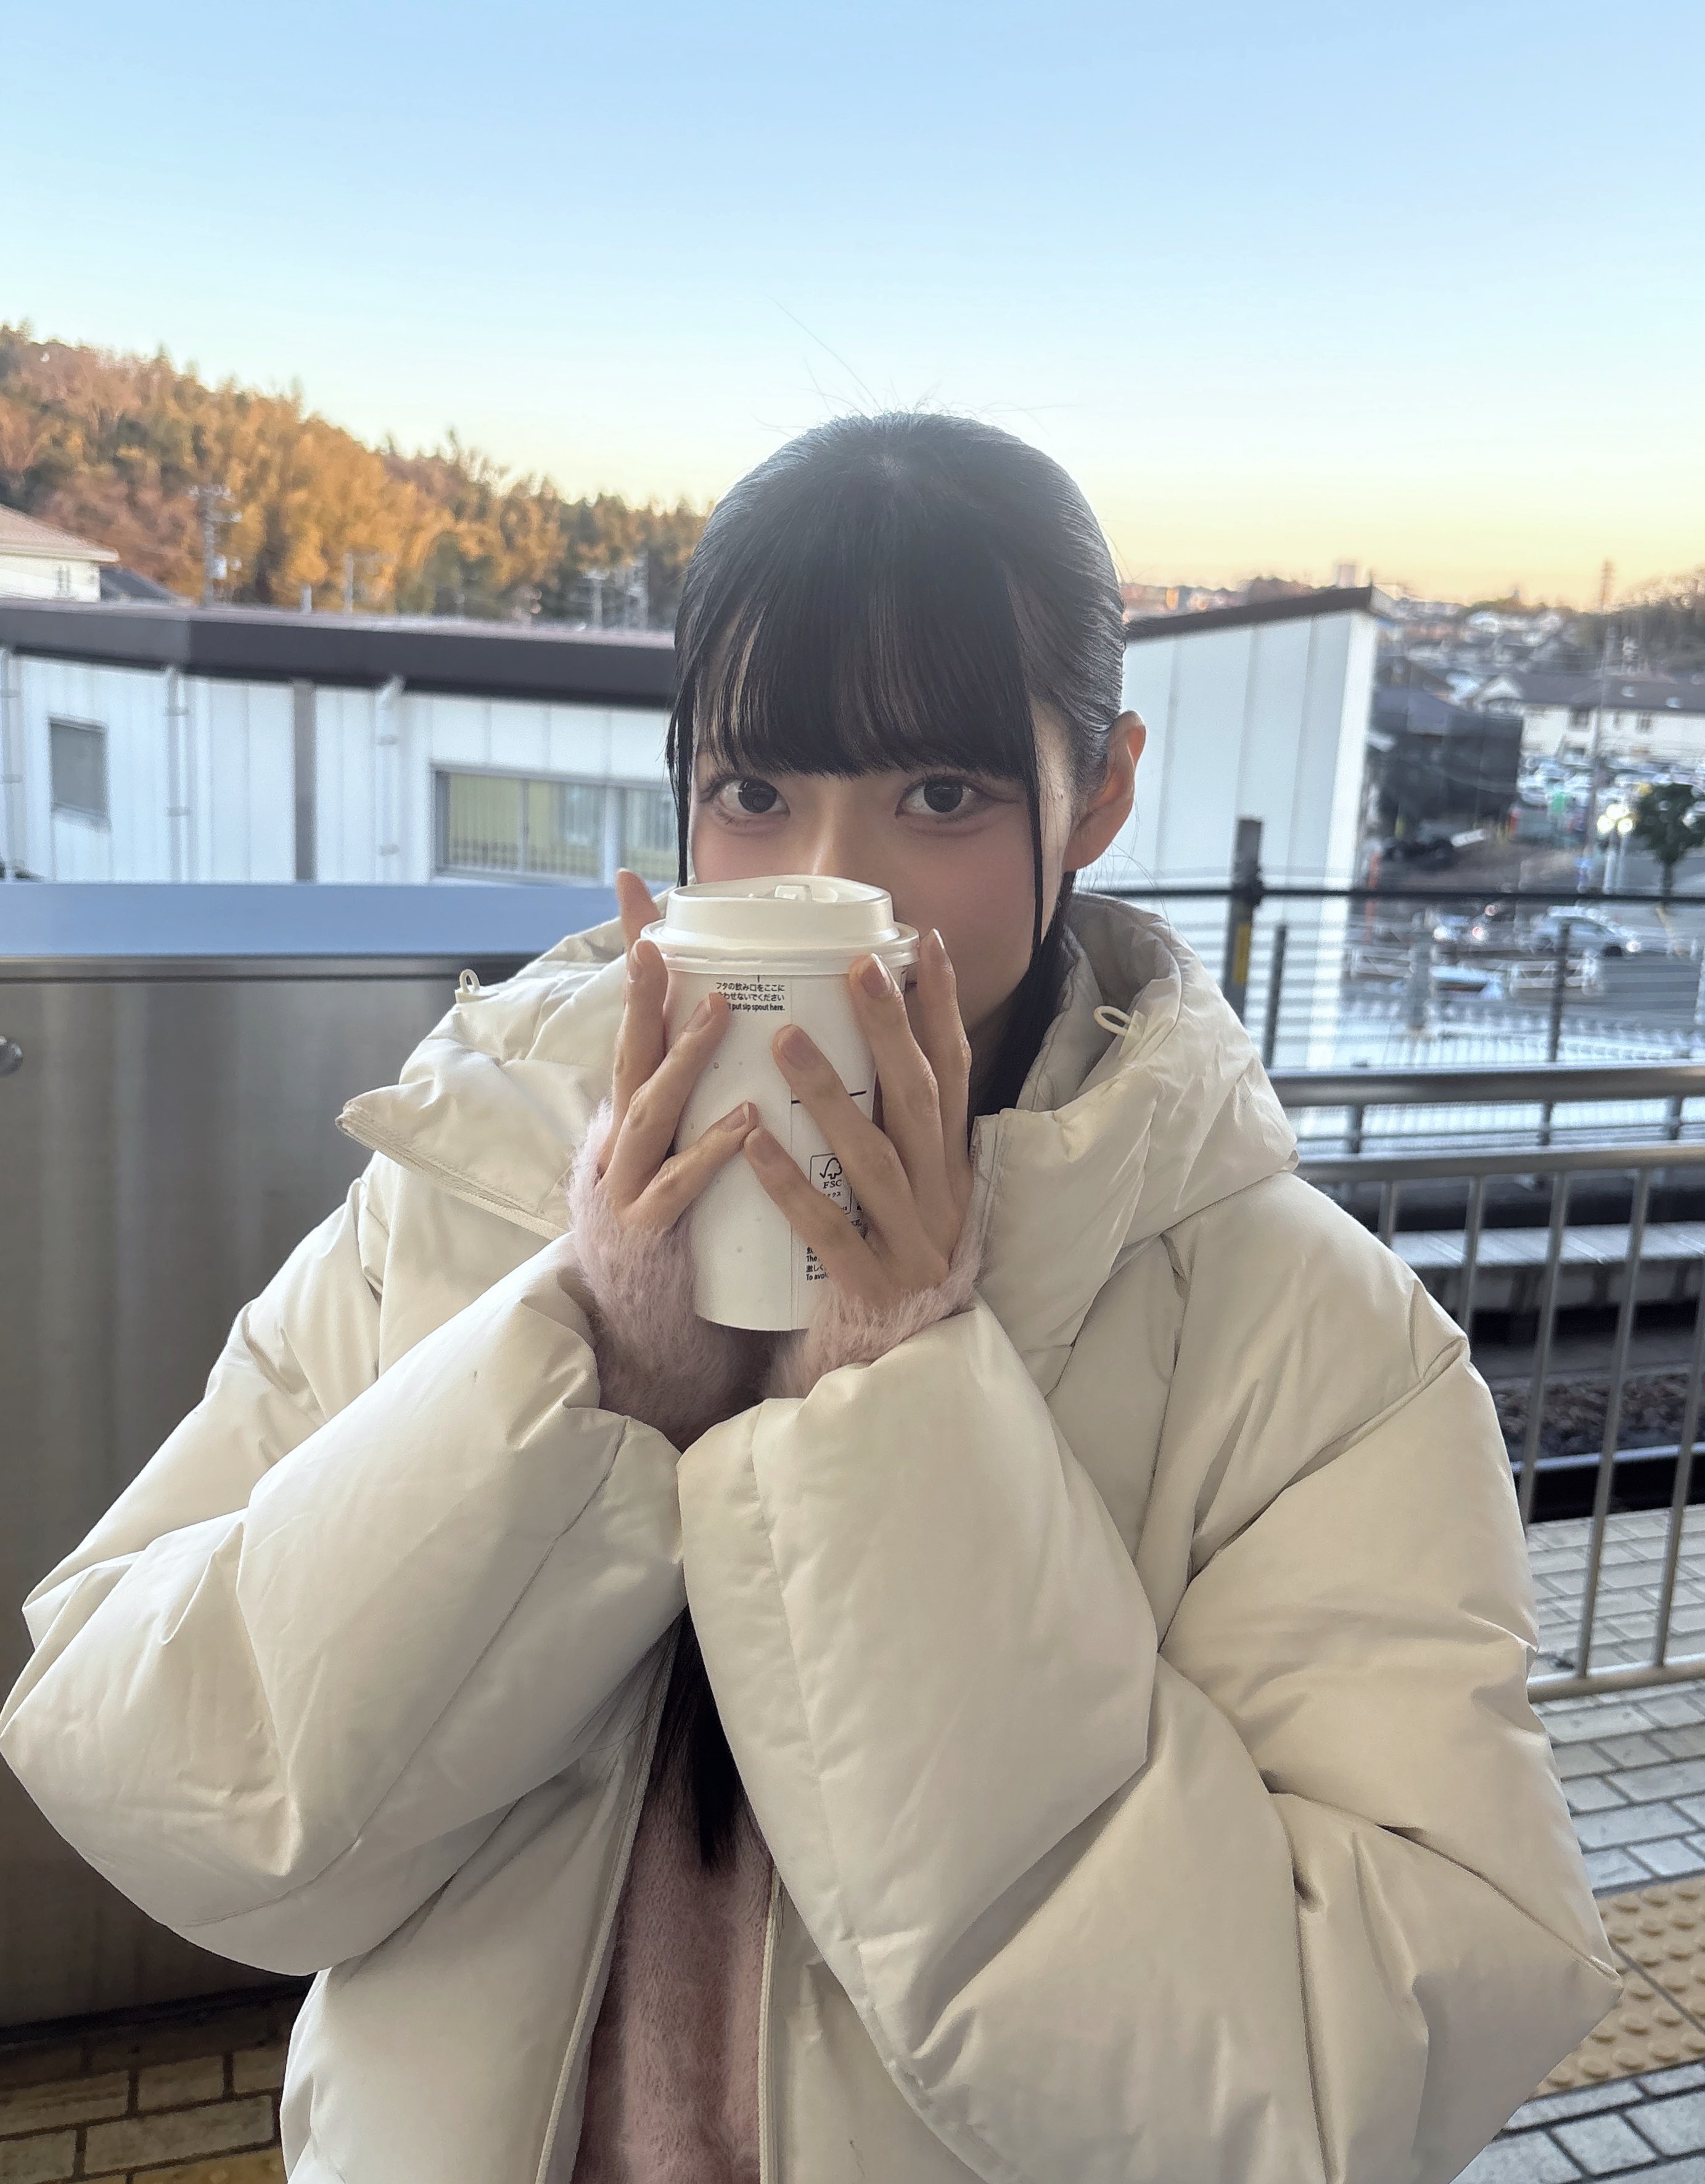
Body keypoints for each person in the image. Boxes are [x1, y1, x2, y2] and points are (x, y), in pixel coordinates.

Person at [1, 413, 1616, 2184]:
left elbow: (1360, 2066)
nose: (831, 892)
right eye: (756, 794)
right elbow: (153, 1771)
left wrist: (896, 1410)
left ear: (1100, 791)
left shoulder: (1311, 1335)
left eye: (943, 797)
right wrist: (592, 1369)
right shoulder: (468, 1185)